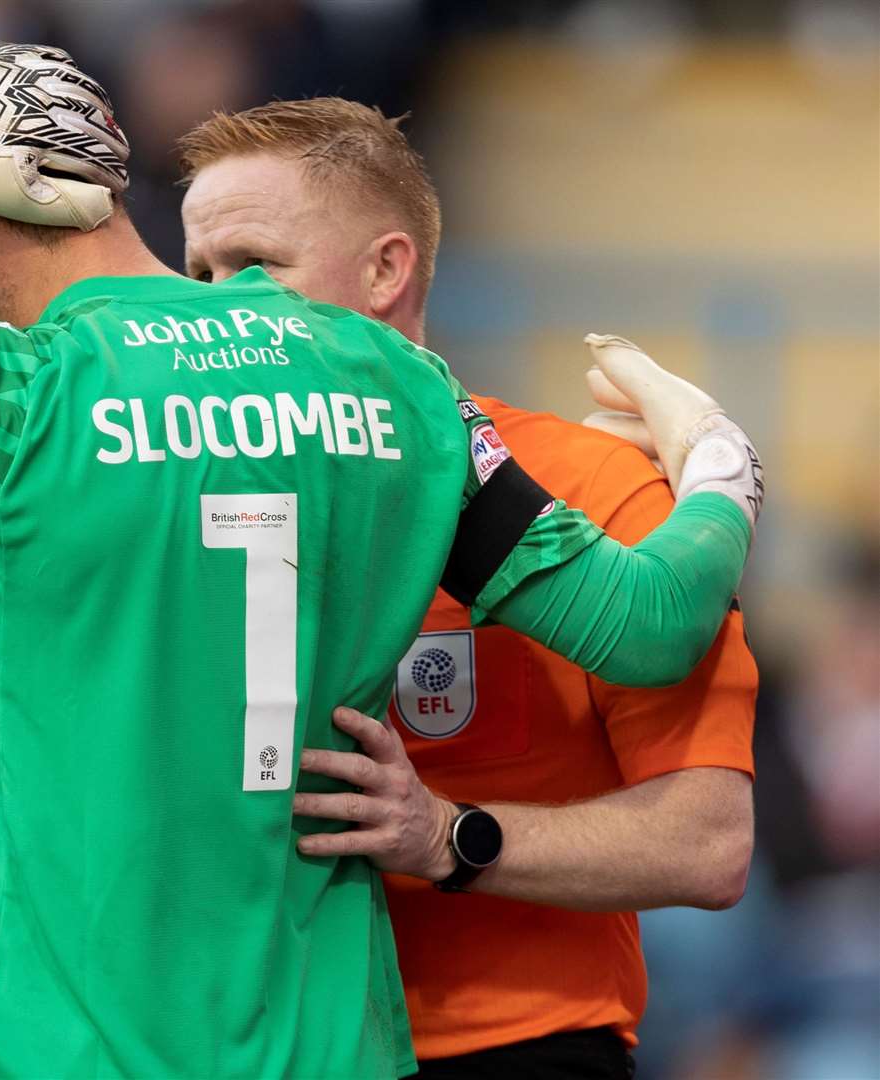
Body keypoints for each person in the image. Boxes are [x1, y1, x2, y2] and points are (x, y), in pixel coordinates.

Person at [0, 45, 761, 1079]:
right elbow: (649, 623)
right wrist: (715, 471)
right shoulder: (394, 384)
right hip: (328, 1050)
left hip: (66, 1053)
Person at [179, 97, 760, 1079]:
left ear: (384, 270)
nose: (210, 307)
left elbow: (706, 842)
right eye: (196, 273)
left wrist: (449, 837)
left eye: (253, 264)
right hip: (245, 1047)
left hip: (512, 1048)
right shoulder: (166, 494)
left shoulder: (592, 486)